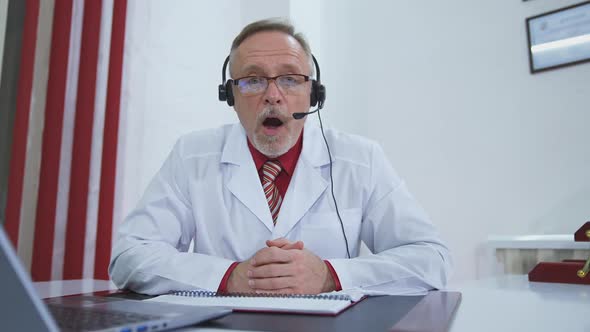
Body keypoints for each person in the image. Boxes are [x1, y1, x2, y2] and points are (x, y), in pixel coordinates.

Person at [109, 18, 452, 295]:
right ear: (230, 94)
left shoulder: (361, 159)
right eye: (253, 80)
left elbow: (431, 259)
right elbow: (129, 256)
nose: (273, 96)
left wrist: (332, 274)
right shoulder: (191, 156)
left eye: (290, 79)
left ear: (313, 93)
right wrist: (228, 276)